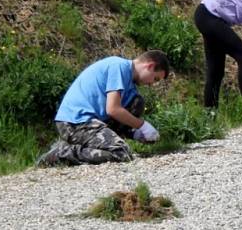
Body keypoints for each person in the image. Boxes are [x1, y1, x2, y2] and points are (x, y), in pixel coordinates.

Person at [36, 50, 170, 166]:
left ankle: (103, 143)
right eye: (155, 79)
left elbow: (117, 115)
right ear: (150, 66)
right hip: (75, 122)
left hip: (91, 121)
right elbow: (113, 109)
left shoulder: (129, 86)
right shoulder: (119, 67)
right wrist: (142, 125)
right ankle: (62, 153)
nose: (152, 84)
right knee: (121, 153)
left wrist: (135, 133)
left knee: (137, 103)